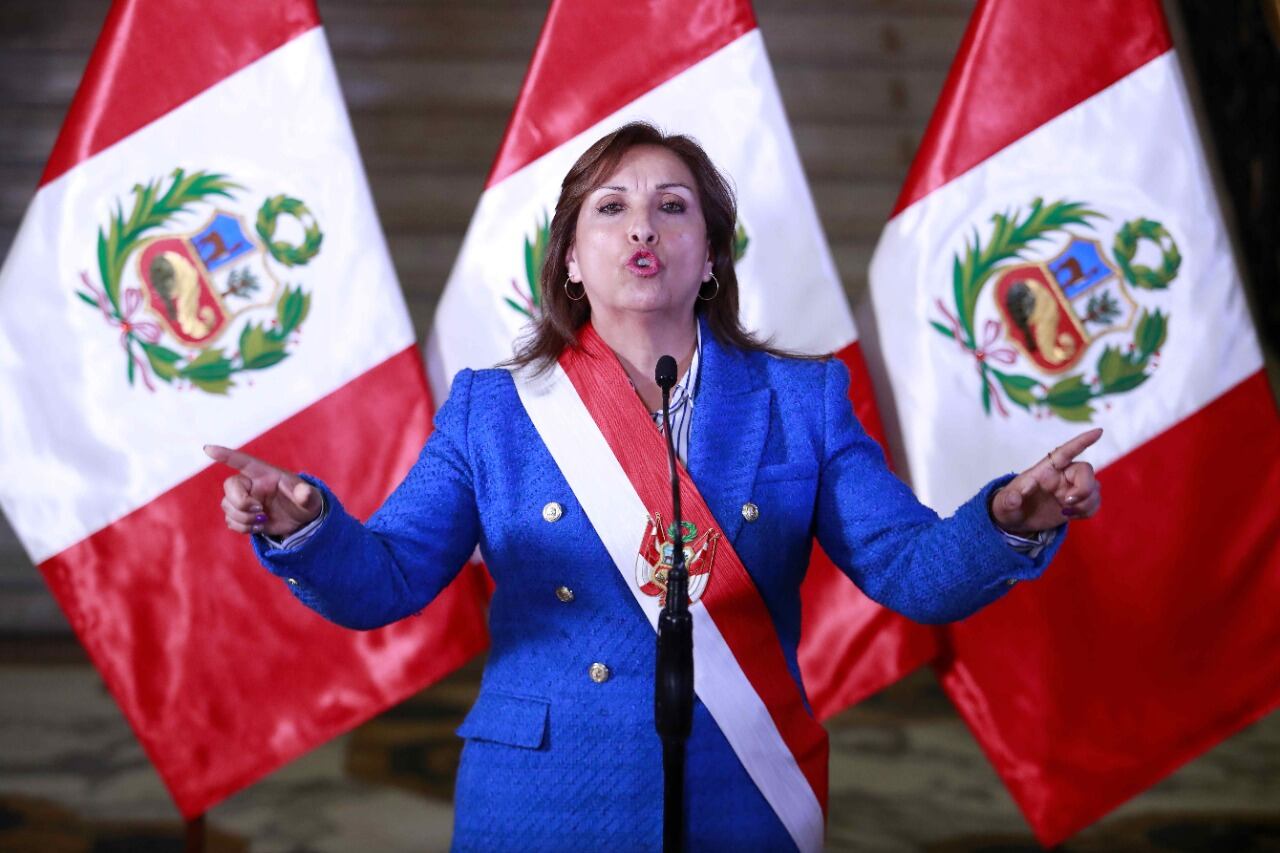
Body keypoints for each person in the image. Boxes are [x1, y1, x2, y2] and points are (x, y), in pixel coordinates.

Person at [206, 122, 1101, 852]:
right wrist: (304, 526)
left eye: (673, 207)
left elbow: (910, 569)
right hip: (542, 794)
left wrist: (1005, 520)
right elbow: (387, 578)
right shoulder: (493, 410)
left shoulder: (803, 400)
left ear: (709, 256)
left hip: (742, 785)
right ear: (569, 258)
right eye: (612, 207)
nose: (643, 228)